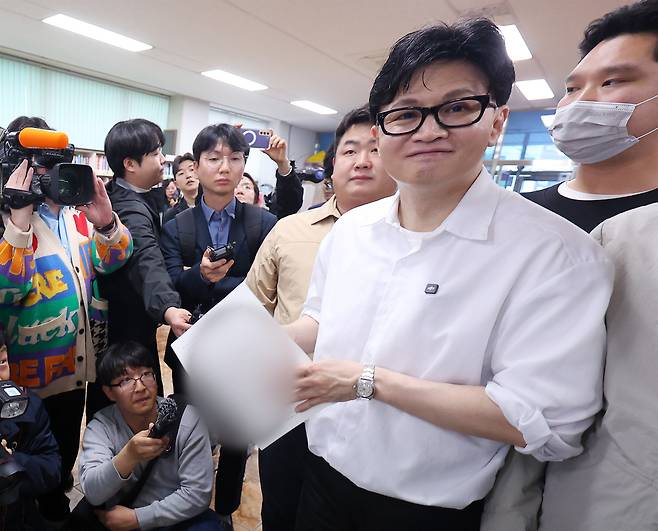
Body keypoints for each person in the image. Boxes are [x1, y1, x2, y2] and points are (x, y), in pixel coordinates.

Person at [282, 18, 613, 531]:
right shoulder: (352, 230)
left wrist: (369, 383)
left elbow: (546, 421)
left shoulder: (555, 253)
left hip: (427, 511)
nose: (429, 130)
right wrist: (248, 342)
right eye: (406, 113)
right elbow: (323, 319)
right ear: (380, 133)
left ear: (497, 121)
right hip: (322, 477)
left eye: (457, 108)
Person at [482, 2, 658, 529]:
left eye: (613, 82)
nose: (581, 102)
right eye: (572, 87)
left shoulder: (646, 236)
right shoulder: (512, 218)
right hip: (478, 477)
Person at [246, 104, 396, 530]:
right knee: (280, 510)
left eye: (375, 149)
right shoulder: (289, 230)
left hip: (373, 407)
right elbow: (254, 307)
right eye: (350, 150)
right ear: (332, 167)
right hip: (290, 399)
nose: (362, 160)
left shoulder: (417, 241)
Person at [0, 115, 133, 525]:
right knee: (28, 465)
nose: (50, 174)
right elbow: (6, 291)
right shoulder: (6, 222)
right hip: (26, 378)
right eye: (40, 164)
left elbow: (113, 260)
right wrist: (18, 223)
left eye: (57, 163)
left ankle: (56, 495)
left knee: (64, 447)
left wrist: (105, 222)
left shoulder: (76, 216)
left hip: (76, 367)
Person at [161, 123, 277, 531]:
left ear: (244, 164)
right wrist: (200, 277)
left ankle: (225, 507)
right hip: (190, 340)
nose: (224, 167)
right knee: (187, 423)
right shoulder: (176, 225)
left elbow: (267, 284)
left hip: (243, 342)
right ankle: (182, 500)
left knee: (236, 432)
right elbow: (171, 282)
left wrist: (205, 278)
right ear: (197, 166)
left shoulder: (263, 223)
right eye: (213, 158)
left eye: (234, 158)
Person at [78, 341, 220, 531]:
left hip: (174, 517)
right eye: (125, 380)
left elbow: (198, 493)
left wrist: (138, 518)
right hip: (122, 516)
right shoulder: (101, 427)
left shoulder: (186, 419)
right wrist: (129, 456)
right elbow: (93, 493)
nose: (140, 387)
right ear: (109, 392)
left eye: (146, 374)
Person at [98, 119, 192, 400]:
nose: (163, 160)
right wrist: (168, 307)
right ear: (130, 164)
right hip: (128, 328)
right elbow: (146, 258)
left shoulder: (125, 195)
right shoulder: (129, 210)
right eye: (155, 153)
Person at [0, 325, 61, 531]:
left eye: (2, 362)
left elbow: (52, 470)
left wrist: (11, 459)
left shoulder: (28, 407)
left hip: (18, 517)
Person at [163, 153, 199, 225]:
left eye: (191, 169)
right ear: (176, 184)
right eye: (181, 173)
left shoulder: (215, 207)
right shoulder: (171, 216)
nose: (188, 175)